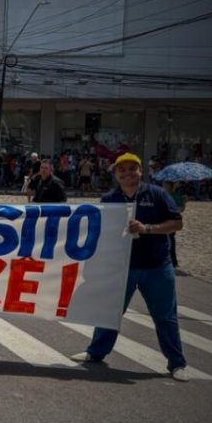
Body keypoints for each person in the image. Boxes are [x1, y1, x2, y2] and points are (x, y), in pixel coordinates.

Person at [70, 153, 189, 382]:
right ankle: (96, 353)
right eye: (121, 170)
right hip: (122, 267)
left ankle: (177, 363)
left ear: (140, 171)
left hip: (156, 267)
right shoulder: (110, 198)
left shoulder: (157, 194)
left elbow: (177, 223)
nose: (127, 173)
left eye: (131, 169)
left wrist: (148, 228)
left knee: (165, 317)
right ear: (115, 174)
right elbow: (101, 230)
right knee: (110, 312)